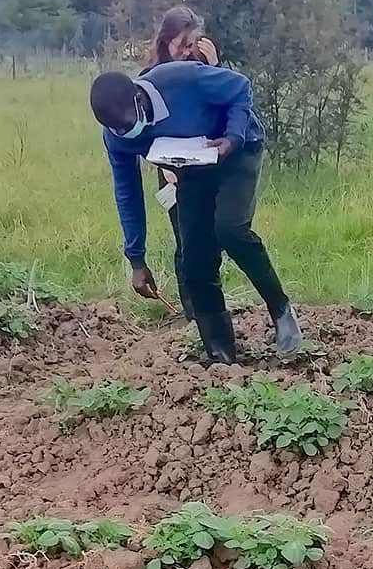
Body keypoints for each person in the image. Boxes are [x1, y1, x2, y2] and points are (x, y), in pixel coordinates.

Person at [90, 52, 301, 364]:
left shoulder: (182, 79)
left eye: (127, 123)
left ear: (138, 96)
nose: (126, 132)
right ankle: (220, 353)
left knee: (229, 229)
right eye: (116, 129)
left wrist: (231, 137)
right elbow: (127, 193)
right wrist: (136, 259)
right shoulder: (117, 138)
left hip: (235, 150)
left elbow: (240, 87)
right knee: (194, 258)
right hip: (192, 166)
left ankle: (281, 311)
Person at [141, 7, 219, 321]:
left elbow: (222, 109)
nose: (187, 53)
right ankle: (194, 314)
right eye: (180, 46)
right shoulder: (150, 80)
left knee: (211, 239)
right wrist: (163, 167)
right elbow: (144, 132)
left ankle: (210, 305)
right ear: (165, 42)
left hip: (205, 167)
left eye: (192, 45)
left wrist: (215, 66)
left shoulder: (202, 70)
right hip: (171, 171)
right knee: (186, 240)